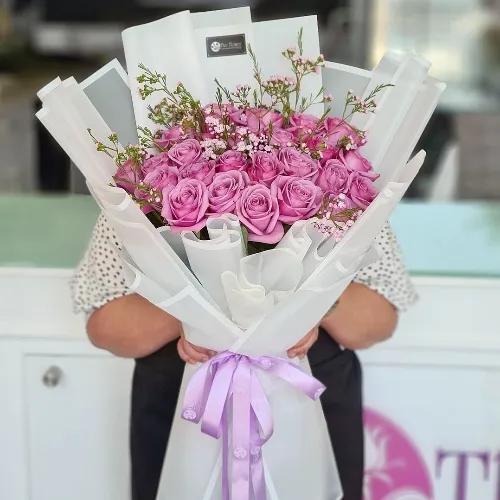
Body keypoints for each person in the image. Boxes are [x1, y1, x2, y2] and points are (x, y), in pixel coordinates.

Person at [72, 213, 416, 500]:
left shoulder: (342, 183)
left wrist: (313, 304)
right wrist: (194, 309)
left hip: (313, 403)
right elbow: (106, 324)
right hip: (179, 402)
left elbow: (379, 318)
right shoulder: (140, 186)